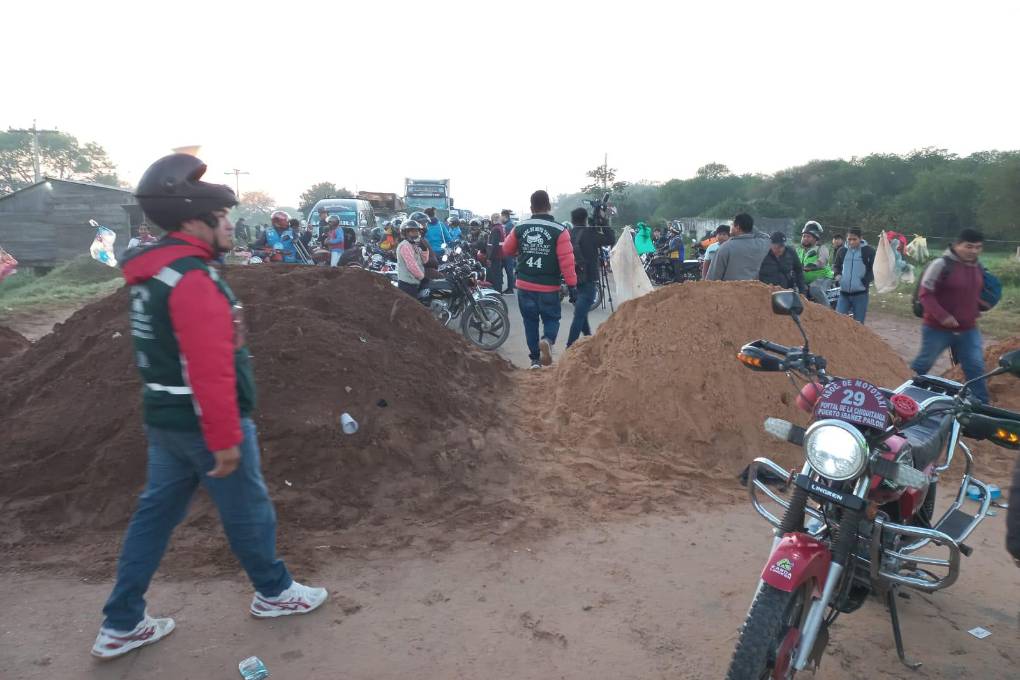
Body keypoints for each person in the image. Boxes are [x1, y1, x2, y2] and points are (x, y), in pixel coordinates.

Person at [92, 154, 326, 660]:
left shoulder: (152, 275)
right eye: (222, 218)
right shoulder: (192, 279)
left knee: (153, 520)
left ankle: (121, 622)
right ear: (194, 220)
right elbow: (210, 366)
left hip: (165, 418)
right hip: (204, 422)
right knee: (249, 511)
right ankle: (275, 592)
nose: (230, 226)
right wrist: (223, 438)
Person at [909, 229, 990, 403]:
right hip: (937, 328)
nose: (974, 251)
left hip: (968, 330)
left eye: (978, 247)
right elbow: (925, 294)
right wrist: (943, 316)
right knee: (923, 363)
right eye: (969, 246)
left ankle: (981, 405)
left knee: (975, 366)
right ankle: (903, 392)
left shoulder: (978, 267)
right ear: (957, 245)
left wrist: (978, 307)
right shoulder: (941, 264)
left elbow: (975, 294)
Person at [503, 190, 577, 369]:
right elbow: (567, 262)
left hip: (524, 286)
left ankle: (535, 360)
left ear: (531, 207)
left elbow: (506, 250)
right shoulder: (560, 230)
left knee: (530, 322)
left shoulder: (520, 227)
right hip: (549, 288)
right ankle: (547, 340)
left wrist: (521, 251)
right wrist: (572, 286)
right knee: (552, 319)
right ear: (549, 206)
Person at [567, 207, 615, 347]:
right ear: (585, 219)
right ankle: (569, 346)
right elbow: (611, 239)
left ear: (572, 220)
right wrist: (603, 221)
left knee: (582, 312)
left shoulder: (568, 234)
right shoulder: (590, 234)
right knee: (579, 314)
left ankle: (589, 339)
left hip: (573, 279)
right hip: (588, 279)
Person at [706, 213, 770, 281]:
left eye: (732, 224)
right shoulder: (761, 244)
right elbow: (765, 236)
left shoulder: (725, 248)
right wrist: (748, 226)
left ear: (737, 227)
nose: (730, 226)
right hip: (753, 289)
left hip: (730, 290)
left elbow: (712, 278)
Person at [832, 227, 875, 324]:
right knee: (838, 322)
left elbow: (874, 270)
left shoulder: (869, 251)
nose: (851, 242)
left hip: (860, 295)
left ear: (861, 238)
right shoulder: (842, 251)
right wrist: (837, 275)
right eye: (849, 239)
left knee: (858, 325)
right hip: (843, 294)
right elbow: (836, 266)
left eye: (854, 239)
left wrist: (864, 281)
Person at [797, 220, 834, 304]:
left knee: (815, 289)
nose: (805, 238)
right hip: (805, 280)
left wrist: (812, 266)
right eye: (804, 236)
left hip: (823, 277)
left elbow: (822, 261)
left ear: (815, 238)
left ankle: (828, 313)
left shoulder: (822, 249)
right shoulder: (799, 251)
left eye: (808, 236)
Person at [395, 220, 426, 297]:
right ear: (405, 233)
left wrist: (424, 249)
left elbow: (424, 260)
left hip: (414, 282)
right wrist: (422, 277)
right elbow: (412, 265)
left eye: (417, 231)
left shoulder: (414, 245)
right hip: (407, 284)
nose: (416, 233)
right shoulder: (405, 246)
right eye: (412, 231)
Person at [486, 212, 506, 292]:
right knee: (498, 274)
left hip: (495, 256)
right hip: (499, 255)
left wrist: (489, 258)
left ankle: (496, 292)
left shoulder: (495, 229)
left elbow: (494, 245)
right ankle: (498, 290)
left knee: (494, 276)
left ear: (492, 219)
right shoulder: (500, 227)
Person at [501, 209, 517, 293]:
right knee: (508, 270)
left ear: (505, 216)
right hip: (509, 251)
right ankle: (511, 287)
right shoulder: (508, 224)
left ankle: (510, 288)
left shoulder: (508, 225)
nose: (500, 218)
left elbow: (506, 238)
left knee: (509, 270)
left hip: (508, 251)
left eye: (501, 216)